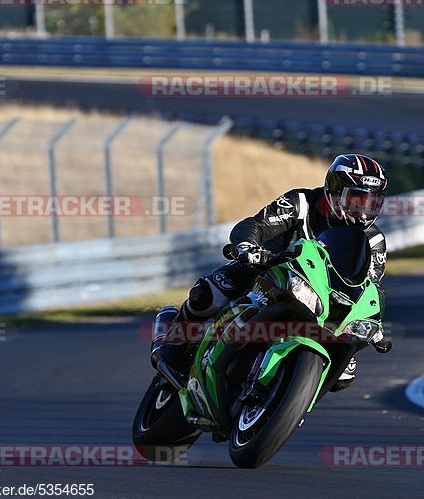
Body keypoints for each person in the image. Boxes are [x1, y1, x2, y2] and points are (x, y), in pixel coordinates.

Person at [152, 153, 391, 391]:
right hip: (266, 272)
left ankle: (284, 398)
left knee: (343, 376)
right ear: (335, 191)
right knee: (206, 294)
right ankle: (172, 345)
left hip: (322, 304)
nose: (363, 210)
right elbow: (256, 225)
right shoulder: (302, 203)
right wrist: (248, 248)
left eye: (372, 202)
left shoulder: (374, 240)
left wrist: (370, 321)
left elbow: (371, 286)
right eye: (357, 199)